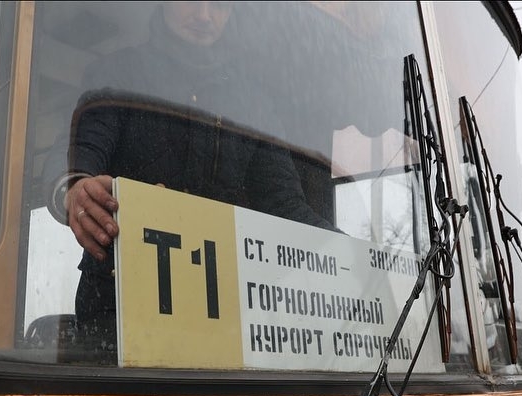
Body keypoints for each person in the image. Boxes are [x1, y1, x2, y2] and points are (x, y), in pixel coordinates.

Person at [44, 1, 333, 357]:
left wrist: (358, 261)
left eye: (220, 6)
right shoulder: (117, 72)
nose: (204, 14)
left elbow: (286, 206)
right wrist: (73, 186)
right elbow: (78, 149)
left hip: (222, 315)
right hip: (115, 313)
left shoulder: (255, 105)